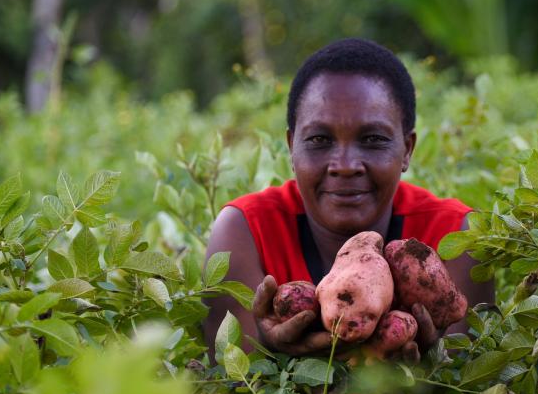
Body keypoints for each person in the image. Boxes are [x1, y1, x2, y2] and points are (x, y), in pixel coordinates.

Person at [203, 38, 493, 359]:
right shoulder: (245, 230)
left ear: (407, 149)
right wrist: (267, 349)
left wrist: (431, 366)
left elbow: (468, 391)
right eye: (319, 139)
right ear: (291, 147)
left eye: (372, 139)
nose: (344, 166)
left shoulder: (455, 233)